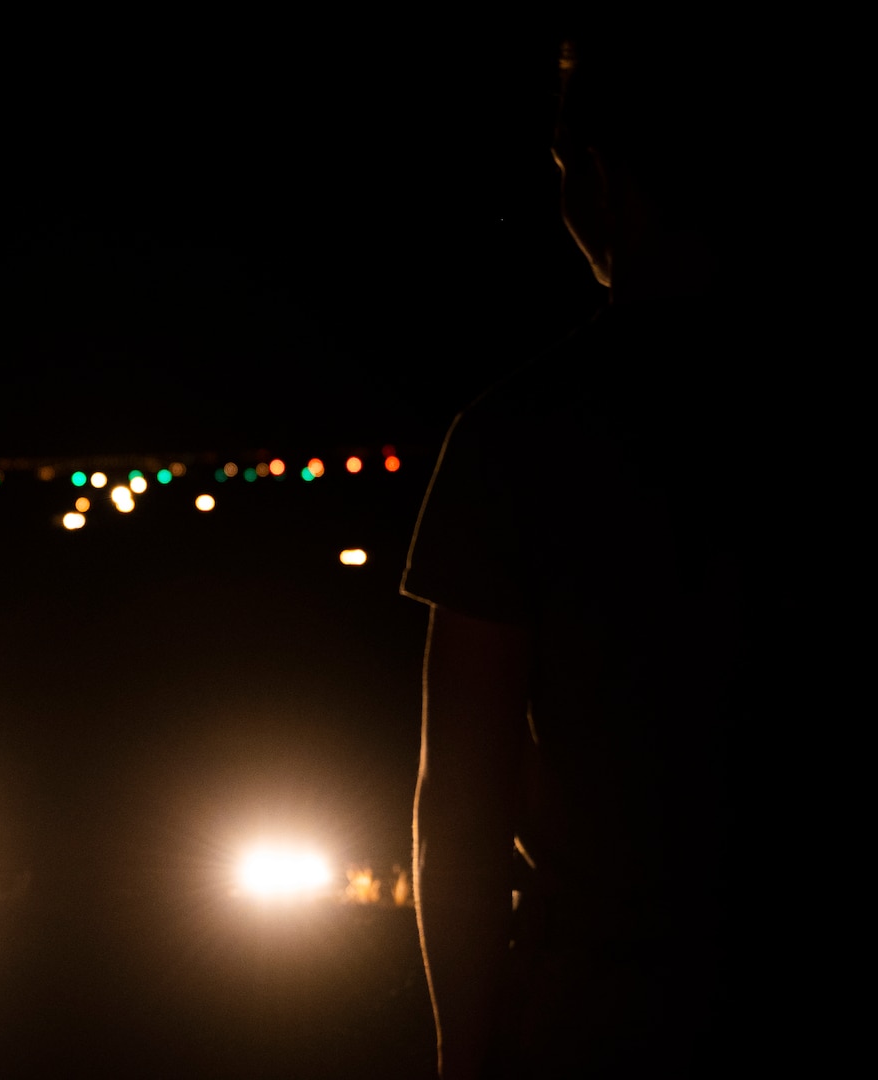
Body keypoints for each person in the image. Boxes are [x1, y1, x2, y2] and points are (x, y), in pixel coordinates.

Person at [400, 26, 776, 1079]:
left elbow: (463, 801)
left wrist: (464, 1051)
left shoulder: (517, 431)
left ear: (602, 178)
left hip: (608, 1010)